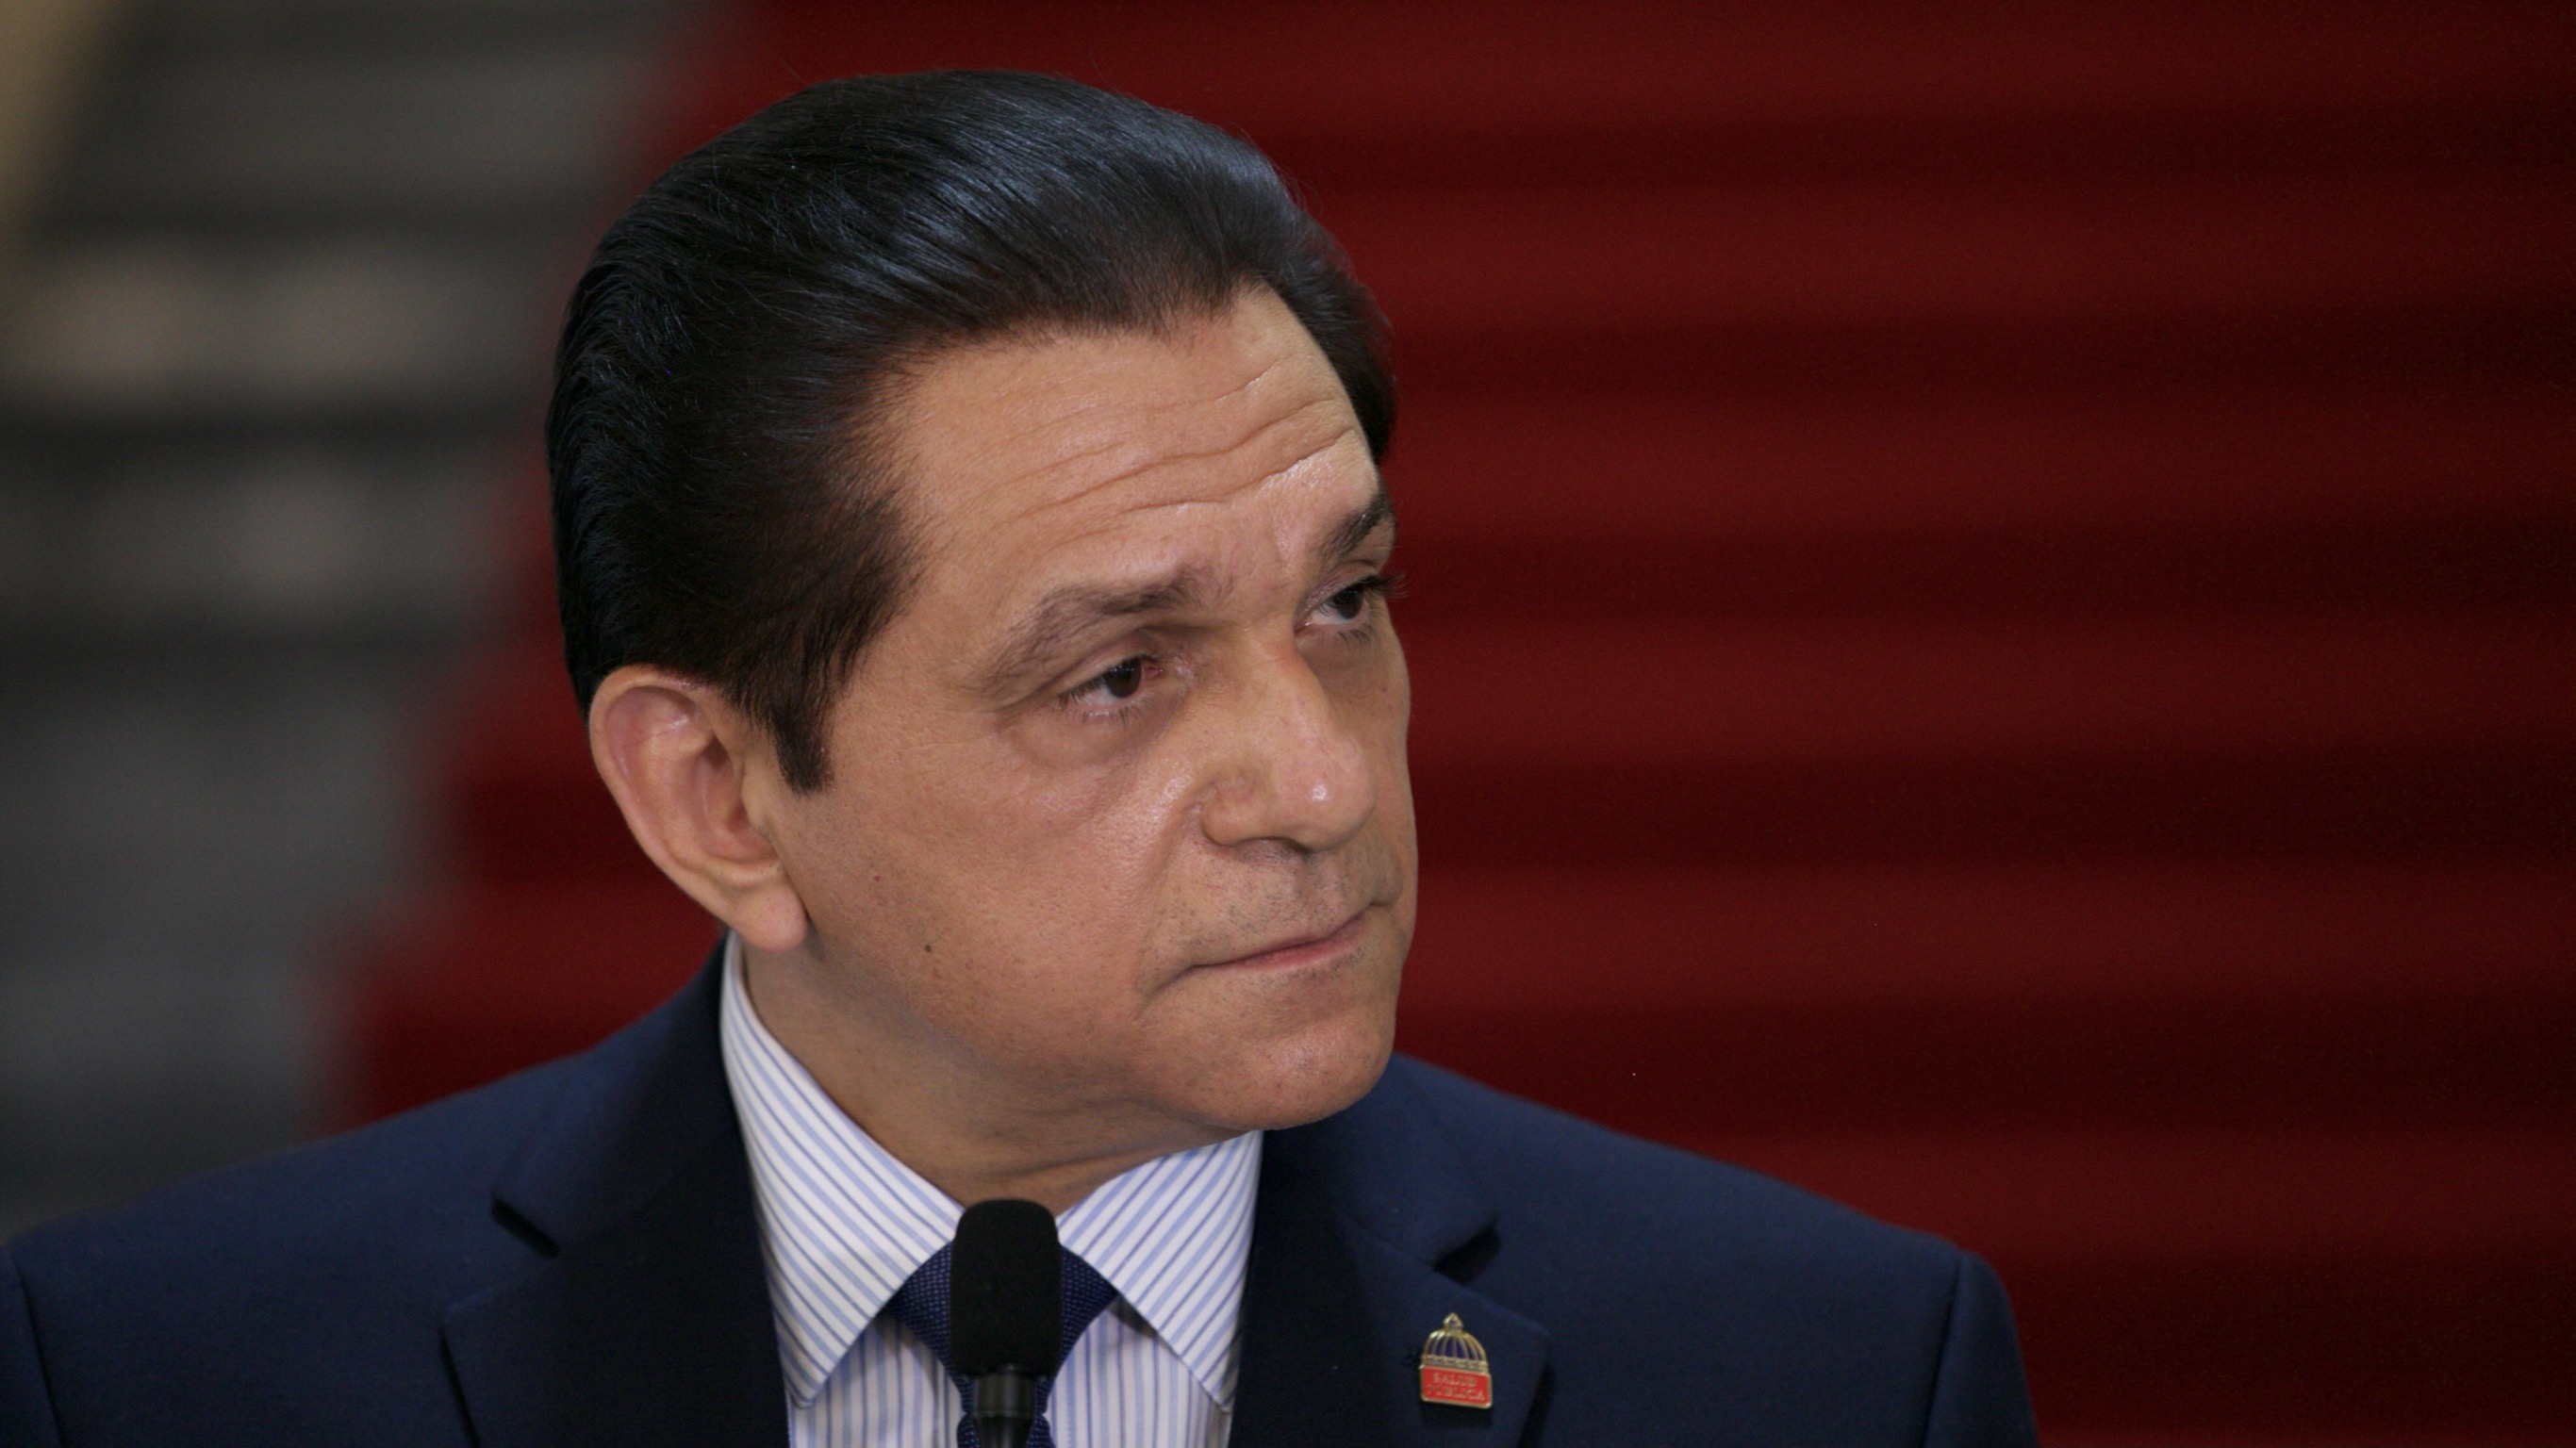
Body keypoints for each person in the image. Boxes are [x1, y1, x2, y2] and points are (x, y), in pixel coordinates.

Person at [0, 72, 2037, 1446]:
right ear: (716, 798)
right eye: (1120, 677)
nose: (1321, 788)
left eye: (1346, 604)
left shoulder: (1830, 1378)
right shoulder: (155, 1379)